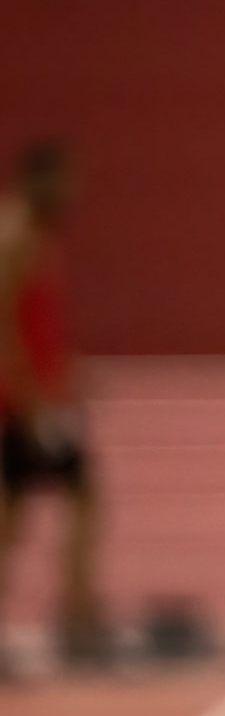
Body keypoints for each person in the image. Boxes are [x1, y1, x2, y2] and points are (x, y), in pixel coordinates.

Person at [0, 141, 108, 672]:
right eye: (64, 183)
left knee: (17, 515)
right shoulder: (15, 235)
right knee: (80, 499)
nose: (72, 196)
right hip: (16, 406)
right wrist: (33, 402)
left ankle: (76, 616)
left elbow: (33, 325)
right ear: (38, 180)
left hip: (32, 397)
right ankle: (76, 619)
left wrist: (66, 373)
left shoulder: (37, 238)